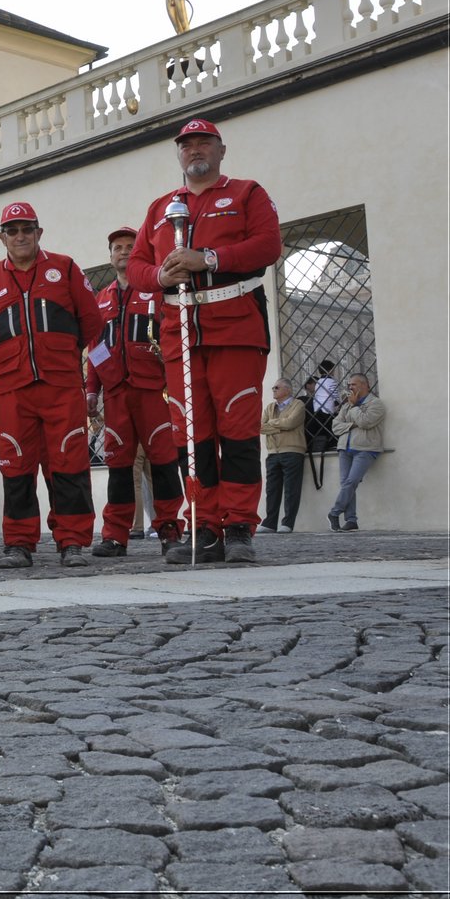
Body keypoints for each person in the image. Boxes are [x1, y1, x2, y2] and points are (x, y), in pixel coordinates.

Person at [128, 117, 283, 564]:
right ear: (179, 154)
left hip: (234, 324)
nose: (194, 150)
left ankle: (238, 527)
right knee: (191, 433)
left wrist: (208, 258)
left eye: (203, 143)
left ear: (221, 150)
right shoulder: (161, 208)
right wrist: (159, 274)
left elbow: (268, 246)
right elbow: (138, 264)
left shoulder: (247, 193)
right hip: (179, 332)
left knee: (236, 429)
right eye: (187, 145)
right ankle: (203, 526)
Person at [0, 202, 101, 568]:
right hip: (14, 391)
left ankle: (72, 542)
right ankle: (19, 544)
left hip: (62, 388)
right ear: (2, 238)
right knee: (15, 465)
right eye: (13, 231)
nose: (21, 236)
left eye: (27, 229)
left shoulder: (66, 268)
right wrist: (8, 368)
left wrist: (62, 358)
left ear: (39, 233)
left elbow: (91, 321)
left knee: (69, 462)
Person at [86, 226, 184, 557]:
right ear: (110, 255)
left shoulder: (156, 292)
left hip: (153, 390)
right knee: (118, 466)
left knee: (164, 462)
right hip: (115, 394)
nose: (124, 251)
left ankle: (170, 530)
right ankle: (115, 534)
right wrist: (91, 390)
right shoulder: (100, 300)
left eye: (130, 246)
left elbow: (173, 336)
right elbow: (94, 349)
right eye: (118, 247)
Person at [329, 372, 384, 531]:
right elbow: (335, 426)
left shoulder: (376, 404)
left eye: (353, 384)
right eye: (349, 385)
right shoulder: (346, 405)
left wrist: (354, 408)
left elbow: (365, 422)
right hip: (345, 448)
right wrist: (351, 424)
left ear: (364, 385)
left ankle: (334, 512)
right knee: (346, 483)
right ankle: (351, 519)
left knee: (351, 481)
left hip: (366, 449)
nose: (350, 387)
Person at [260, 378, 307, 533]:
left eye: (277, 387)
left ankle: (288, 523)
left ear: (287, 390)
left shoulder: (298, 405)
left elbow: (291, 423)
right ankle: (270, 523)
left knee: (291, 489)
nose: (273, 390)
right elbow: (260, 427)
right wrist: (280, 424)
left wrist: (273, 424)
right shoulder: (270, 407)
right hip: (273, 452)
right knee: (272, 489)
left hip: (292, 451)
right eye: (273, 388)